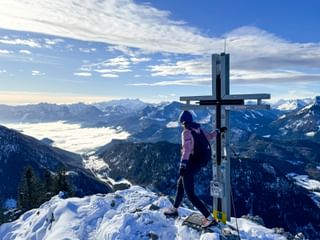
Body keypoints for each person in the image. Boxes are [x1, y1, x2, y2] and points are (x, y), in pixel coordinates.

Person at [164, 110, 227, 228]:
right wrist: (218, 131)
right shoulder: (198, 129)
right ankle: (174, 208)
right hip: (200, 161)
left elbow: (186, 150)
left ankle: (209, 218)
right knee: (180, 184)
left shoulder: (186, 133)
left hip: (191, 163)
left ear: (183, 122)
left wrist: (182, 165)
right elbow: (209, 136)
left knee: (190, 195)